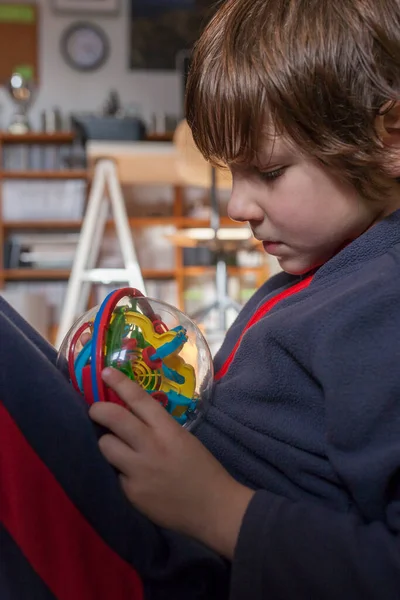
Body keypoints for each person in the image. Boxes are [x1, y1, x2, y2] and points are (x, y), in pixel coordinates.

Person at [2, 0, 400, 598]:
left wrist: (219, 510)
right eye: (232, 173)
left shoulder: (383, 303)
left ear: (389, 138)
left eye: (268, 171)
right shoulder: (329, 263)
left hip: (179, 561)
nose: (238, 206)